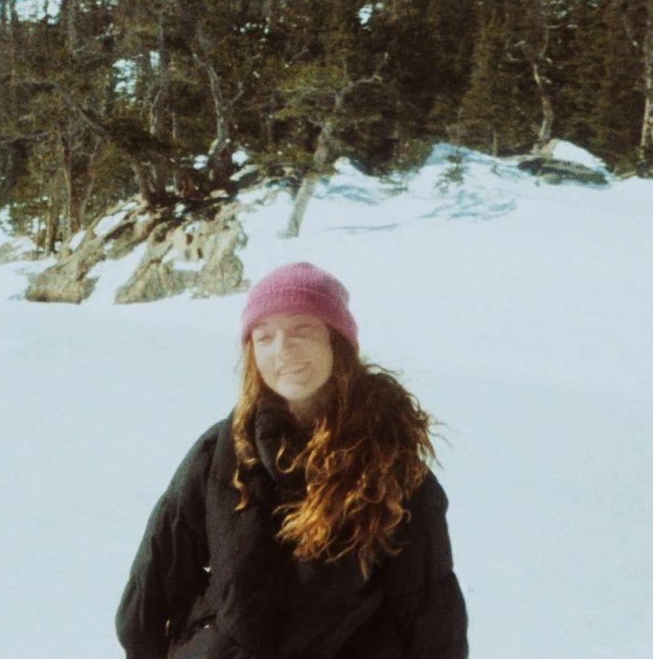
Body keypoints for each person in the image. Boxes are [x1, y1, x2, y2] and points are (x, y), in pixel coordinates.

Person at [116, 261, 469, 658]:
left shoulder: (389, 462)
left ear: (337, 342)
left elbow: (430, 615)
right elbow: (155, 586)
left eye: (303, 330)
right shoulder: (221, 451)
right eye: (265, 337)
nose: (283, 349)